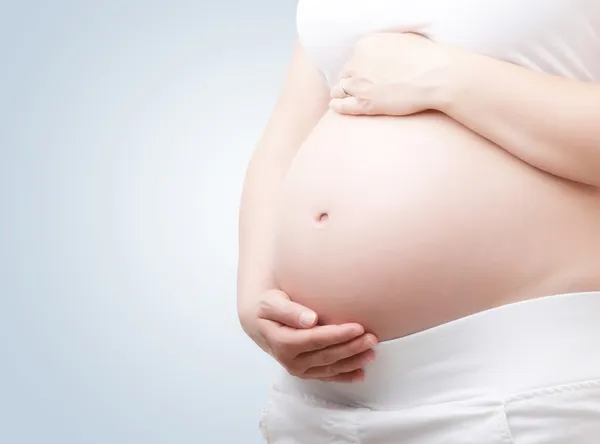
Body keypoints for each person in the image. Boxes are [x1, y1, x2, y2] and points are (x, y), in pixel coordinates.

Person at [237, 1, 600, 442]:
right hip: (314, 402)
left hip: (520, 386)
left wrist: (447, 78)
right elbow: (287, 133)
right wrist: (255, 298)